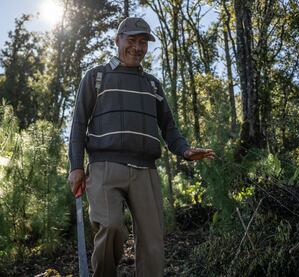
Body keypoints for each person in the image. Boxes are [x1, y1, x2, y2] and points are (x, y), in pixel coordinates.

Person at [68, 17, 215, 277]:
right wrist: (76, 167)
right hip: (104, 168)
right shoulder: (96, 78)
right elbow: (79, 124)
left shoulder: (152, 85)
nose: (137, 47)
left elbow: (169, 128)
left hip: (146, 171)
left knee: (153, 242)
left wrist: (184, 150)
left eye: (143, 42)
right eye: (132, 40)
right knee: (111, 225)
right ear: (117, 40)